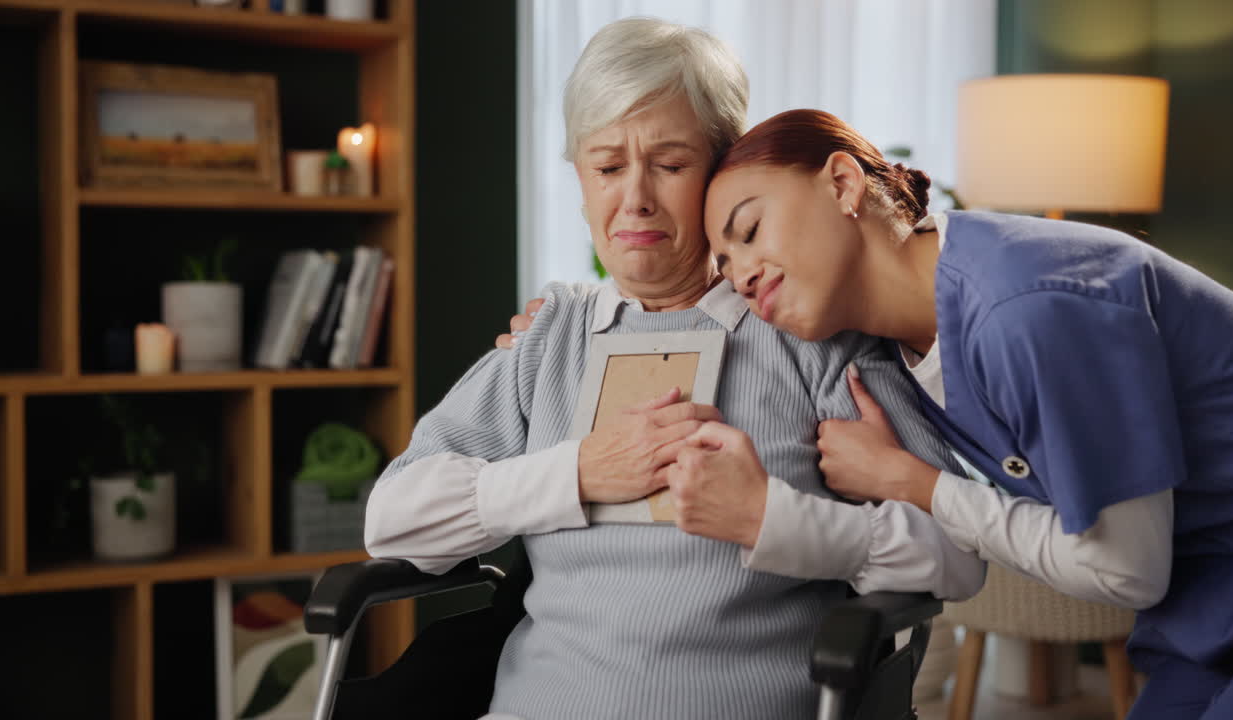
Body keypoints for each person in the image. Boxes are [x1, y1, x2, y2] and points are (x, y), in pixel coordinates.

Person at [367, 19, 983, 720]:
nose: (634, 198)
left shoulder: (812, 334)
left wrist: (772, 519)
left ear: (722, 172)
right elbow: (392, 522)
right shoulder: (549, 336)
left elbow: (957, 554)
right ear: (581, 183)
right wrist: (577, 473)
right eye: (607, 167)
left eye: (670, 164)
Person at [691, 107, 1233, 719]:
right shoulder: (898, 348)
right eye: (724, 265)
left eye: (750, 230)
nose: (741, 277)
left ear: (843, 184)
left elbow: (1126, 571)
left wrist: (913, 482)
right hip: (1208, 609)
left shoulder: (1026, 313)